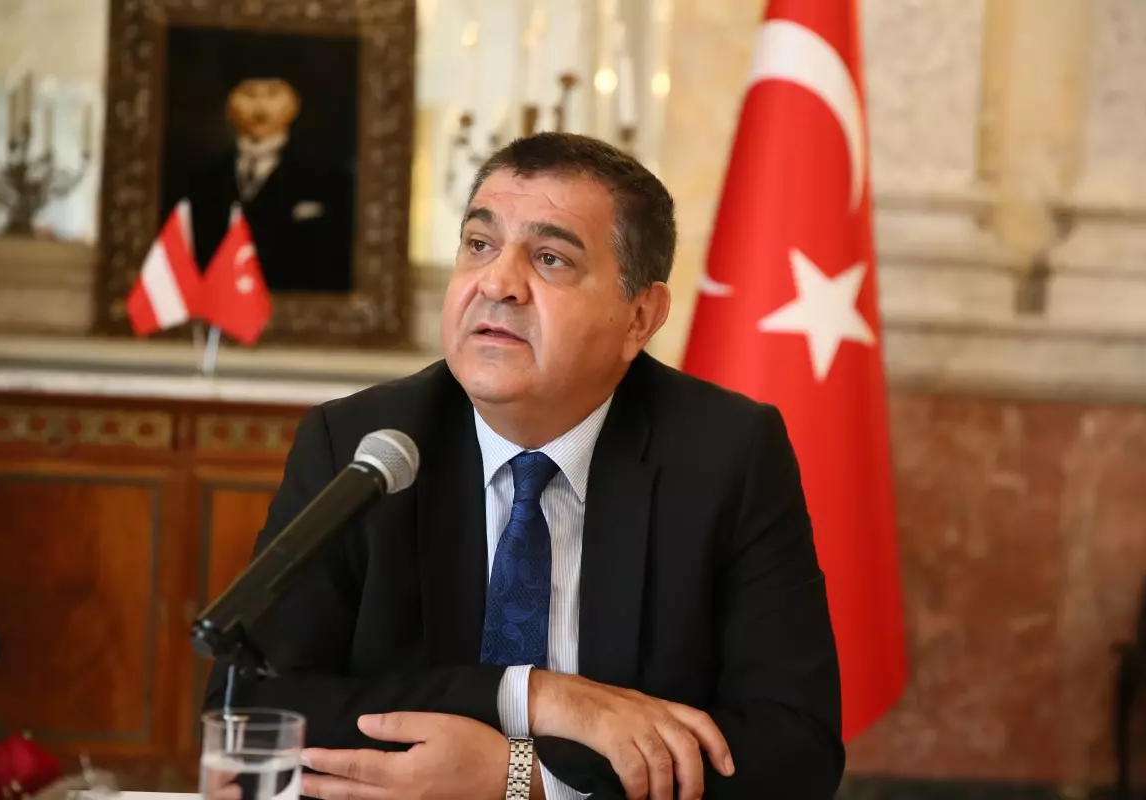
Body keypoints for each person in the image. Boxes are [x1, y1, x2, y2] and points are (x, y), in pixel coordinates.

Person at [204, 132, 843, 799]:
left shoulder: (725, 454)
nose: (497, 284)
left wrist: (526, 778)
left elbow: (795, 752)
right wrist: (533, 696)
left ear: (639, 318)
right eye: (479, 245)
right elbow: (244, 709)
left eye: (550, 258)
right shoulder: (363, 444)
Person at [183, 50, 354, 293]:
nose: (260, 108)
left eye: (273, 94)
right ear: (229, 104)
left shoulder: (328, 177)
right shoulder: (201, 178)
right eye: (249, 94)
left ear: (295, 103)